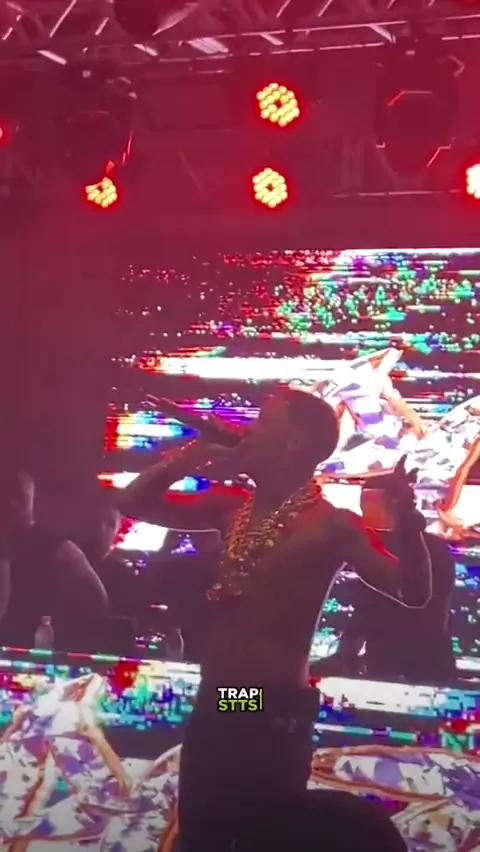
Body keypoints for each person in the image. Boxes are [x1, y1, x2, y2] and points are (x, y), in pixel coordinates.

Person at [118, 388, 431, 852]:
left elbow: (412, 592)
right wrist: (187, 459)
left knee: (262, 837)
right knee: (200, 838)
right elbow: (133, 503)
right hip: (222, 700)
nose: (248, 432)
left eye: (263, 423)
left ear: (294, 442)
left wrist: (409, 523)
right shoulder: (231, 508)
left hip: (269, 704)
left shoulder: (331, 524)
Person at [313, 475, 456, 683]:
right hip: (429, 657)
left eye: (368, 504)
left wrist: (346, 653)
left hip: (394, 658)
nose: (363, 511)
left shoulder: (378, 547)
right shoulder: (435, 546)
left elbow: (367, 610)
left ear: (392, 504)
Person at [0, 470, 109, 650]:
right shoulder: (58, 548)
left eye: (19, 497)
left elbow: (96, 598)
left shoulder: (57, 548)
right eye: (7, 494)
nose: (12, 503)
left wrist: (62, 636)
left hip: (33, 649)